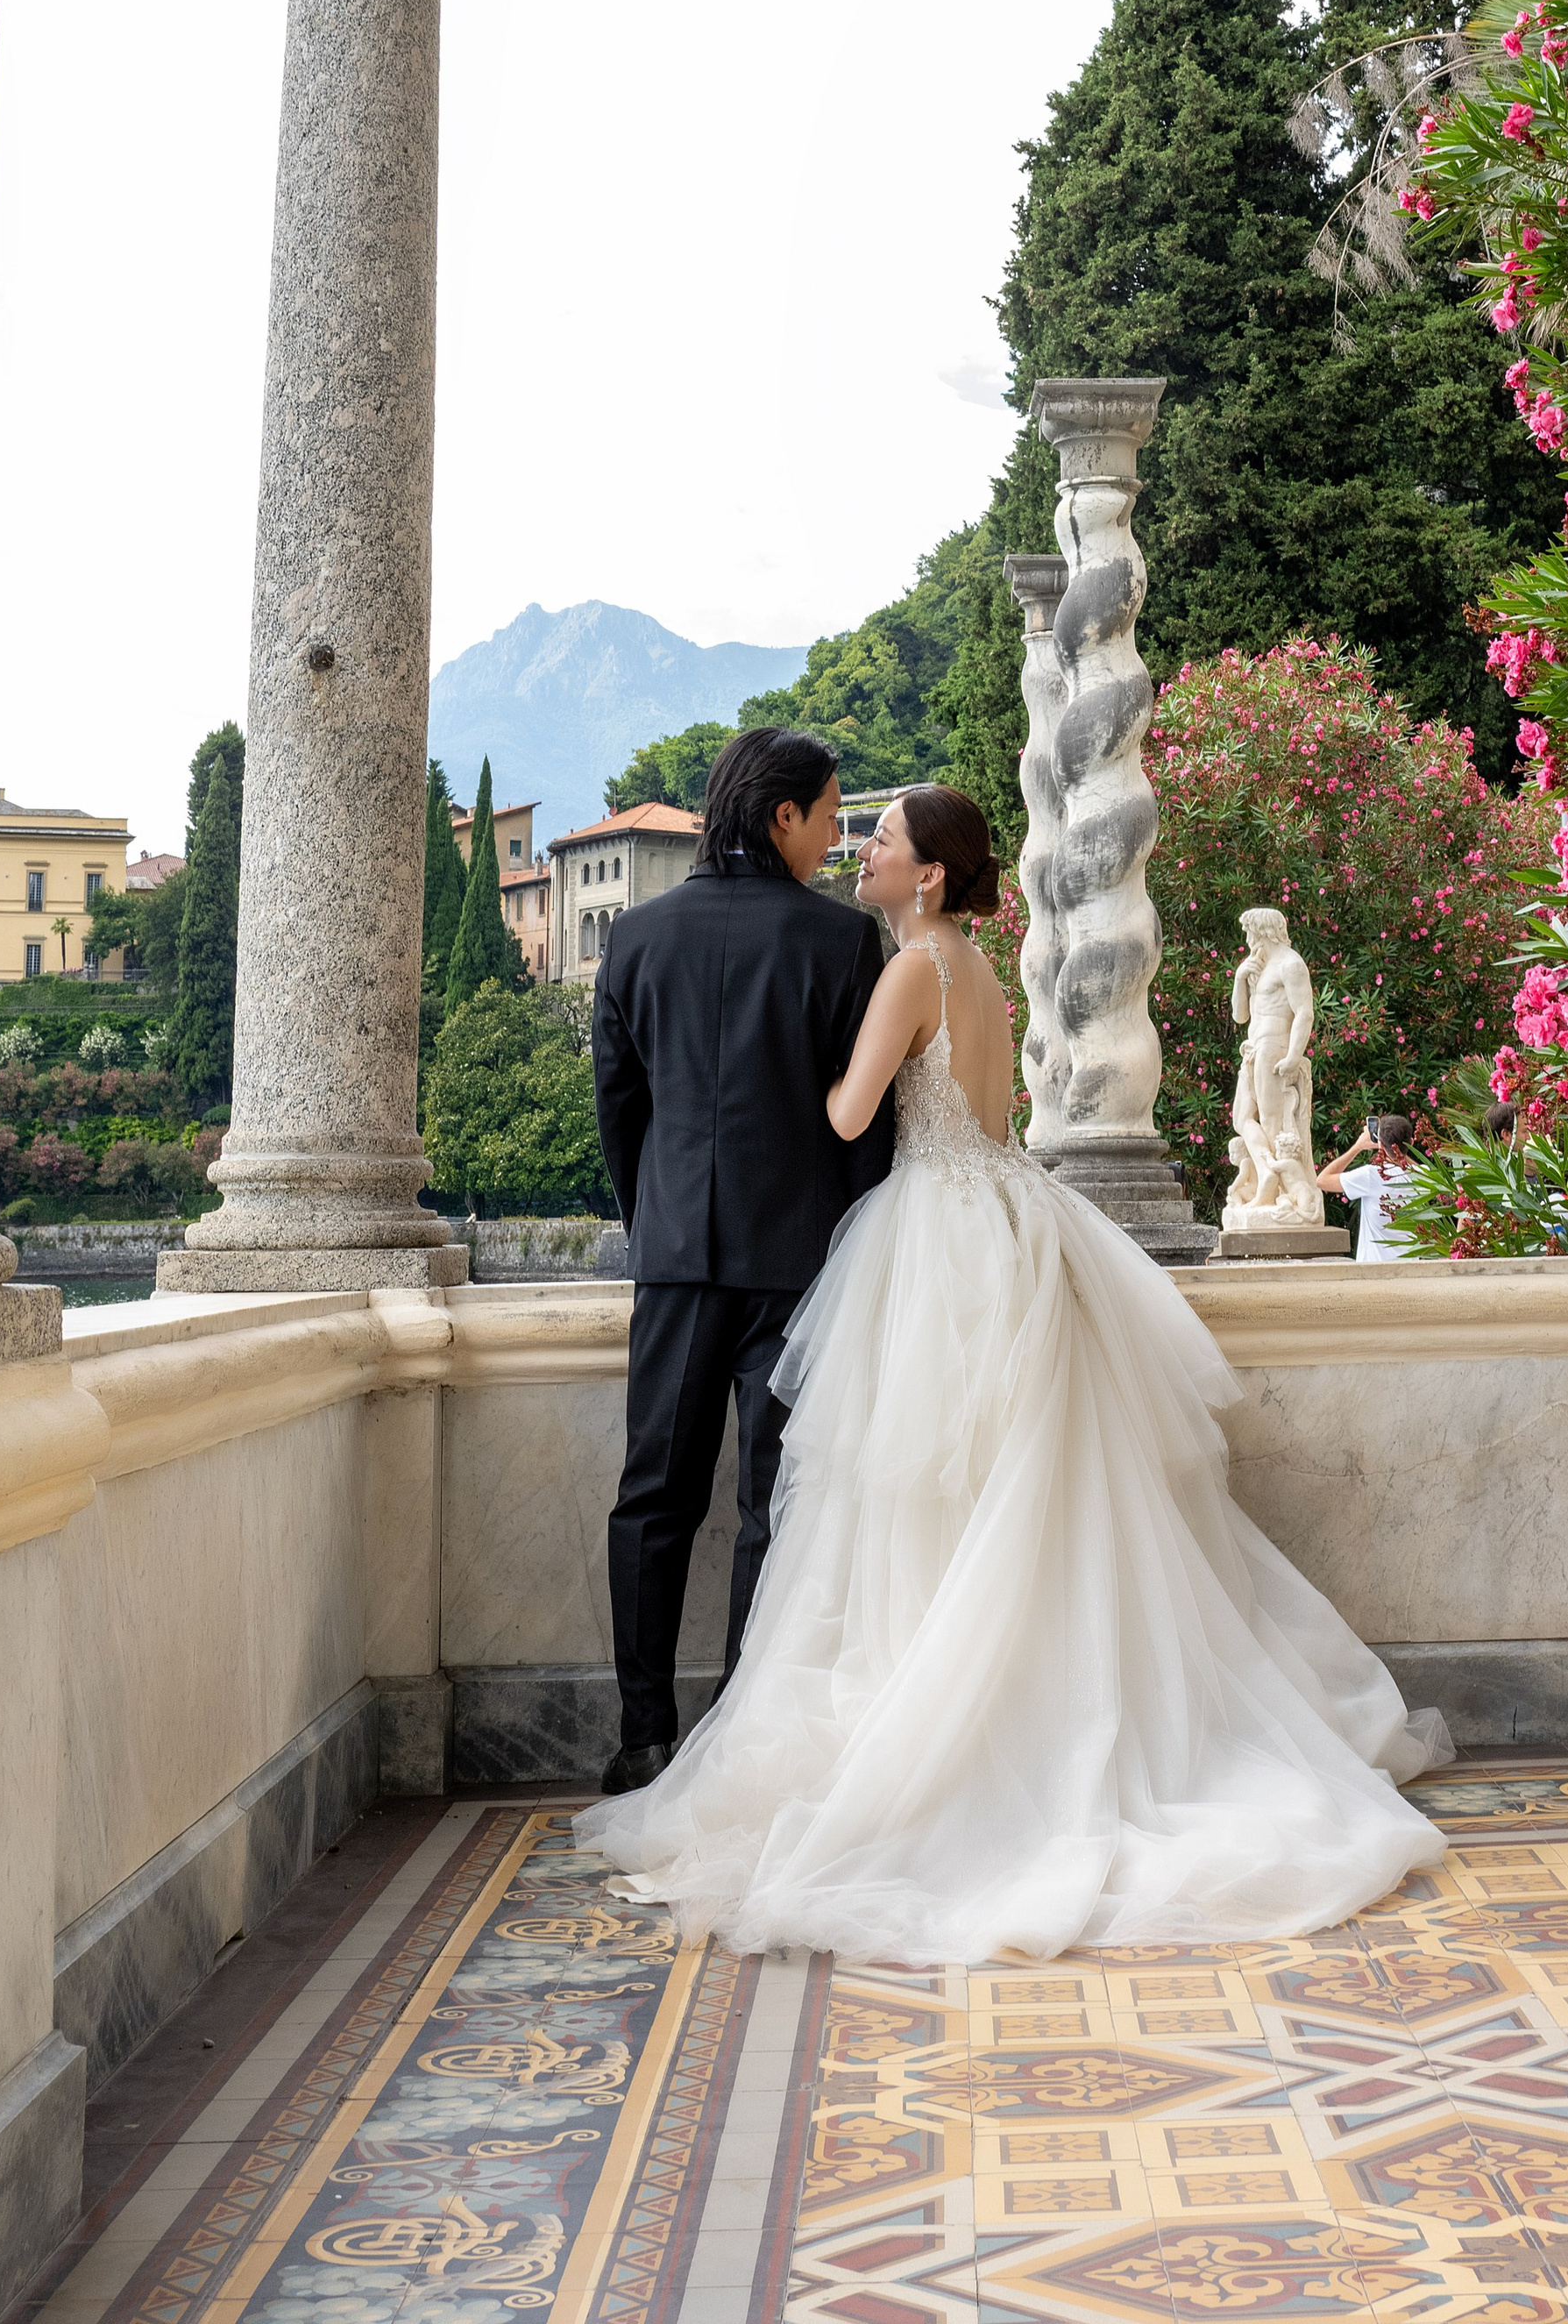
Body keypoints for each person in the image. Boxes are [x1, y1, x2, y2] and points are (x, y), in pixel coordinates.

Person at [577, 784, 1451, 1960]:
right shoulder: (977, 967)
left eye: (879, 841)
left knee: (912, 1502)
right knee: (1008, 1502)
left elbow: (845, 1120)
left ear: (928, 874)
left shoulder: (908, 971)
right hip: (1005, 1217)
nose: (861, 851)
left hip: (930, 1232)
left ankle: (935, 1738)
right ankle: (1013, 1728)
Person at [589, 727, 892, 1800]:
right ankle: (737, 1739)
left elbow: (619, 1112)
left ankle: (642, 1738)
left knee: (651, 1498)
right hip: (798, 1266)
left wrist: (658, 1224)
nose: (835, 836)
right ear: (780, 817)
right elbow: (869, 1134)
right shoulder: (845, 943)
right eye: (829, 815)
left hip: (674, 1259)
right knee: (774, 1505)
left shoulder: (635, 938)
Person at [1320, 1113, 1421, 1262]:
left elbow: (1322, 1180)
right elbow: (1427, 1174)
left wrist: (1358, 1147)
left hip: (1373, 1271)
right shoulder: (1423, 1176)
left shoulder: (1370, 1175)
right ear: (1411, 1142)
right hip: (1411, 1271)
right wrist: (1399, 1153)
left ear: (1380, 1145)